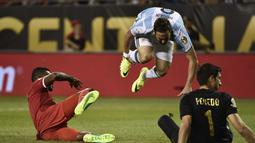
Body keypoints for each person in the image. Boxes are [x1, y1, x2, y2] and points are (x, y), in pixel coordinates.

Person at [119, 7, 198, 96]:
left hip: (165, 26)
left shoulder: (179, 32)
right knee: (145, 57)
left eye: (166, 38)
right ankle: (129, 59)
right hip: (147, 23)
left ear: (170, 32)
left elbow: (193, 59)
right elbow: (128, 35)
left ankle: (144, 75)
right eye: (160, 38)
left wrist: (188, 85)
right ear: (154, 32)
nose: (163, 41)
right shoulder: (144, 26)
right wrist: (125, 56)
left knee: (162, 71)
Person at [27, 67, 115, 142]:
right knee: (89, 91)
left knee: (77, 136)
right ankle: (80, 103)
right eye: (47, 75)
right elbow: (54, 75)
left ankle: (89, 136)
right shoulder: (36, 84)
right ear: (39, 77)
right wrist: (71, 78)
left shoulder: (35, 94)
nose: (52, 82)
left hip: (45, 132)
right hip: (50, 115)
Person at [178, 63, 255, 143]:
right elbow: (241, 129)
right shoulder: (225, 98)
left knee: (166, 121)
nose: (220, 83)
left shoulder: (188, 98)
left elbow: (186, 125)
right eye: (219, 78)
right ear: (211, 78)